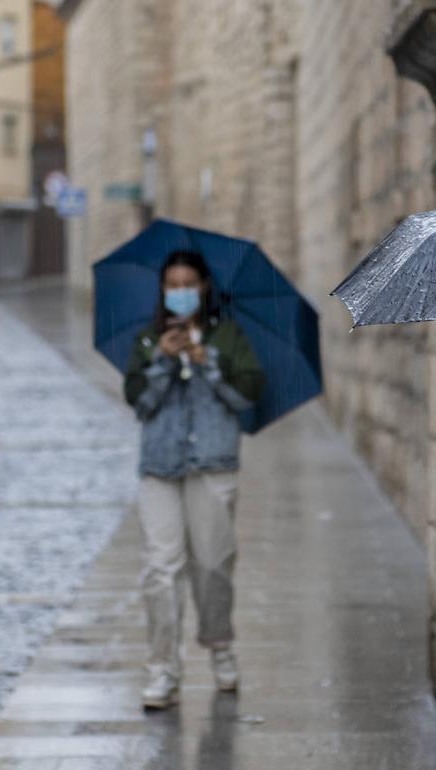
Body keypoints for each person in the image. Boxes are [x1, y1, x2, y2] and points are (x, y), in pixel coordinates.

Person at [124, 250, 265, 710]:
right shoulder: (148, 339)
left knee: (212, 564)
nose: (180, 292)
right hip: (160, 466)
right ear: (163, 290)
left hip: (212, 461)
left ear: (204, 287)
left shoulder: (228, 335)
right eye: (172, 284)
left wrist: (208, 361)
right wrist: (163, 362)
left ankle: (220, 645)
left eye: (189, 283)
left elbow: (247, 394)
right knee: (160, 569)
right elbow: (138, 403)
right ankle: (162, 667)